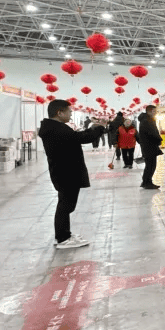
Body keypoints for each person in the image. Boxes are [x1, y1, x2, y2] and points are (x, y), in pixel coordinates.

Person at [38, 100, 105, 249]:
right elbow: (81, 138)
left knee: (66, 205)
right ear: (59, 112)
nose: (71, 113)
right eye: (69, 111)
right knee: (65, 206)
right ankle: (63, 238)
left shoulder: (55, 128)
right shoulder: (56, 129)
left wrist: (93, 129)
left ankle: (65, 234)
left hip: (65, 171)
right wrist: (100, 128)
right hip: (66, 172)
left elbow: (75, 136)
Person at [137, 105, 163, 190]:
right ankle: (147, 182)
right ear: (150, 111)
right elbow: (152, 133)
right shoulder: (146, 121)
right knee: (151, 165)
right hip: (149, 146)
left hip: (149, 146)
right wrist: (159, 139)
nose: (156, 113)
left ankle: (146, 182)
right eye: (154, 111)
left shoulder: (147, 120)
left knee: (150, 165)